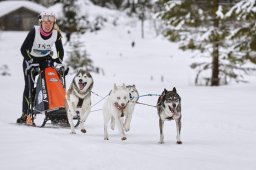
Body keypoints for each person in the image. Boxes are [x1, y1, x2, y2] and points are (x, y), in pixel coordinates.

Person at [16, 11, 64, 124]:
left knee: (52, 81)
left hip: (45, 60)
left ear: (53, 23)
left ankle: (55, 108)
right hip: (31, 60)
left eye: (50, 22)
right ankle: (25, 113)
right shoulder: (34, 32)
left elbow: (60, 50)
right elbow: (23, 49)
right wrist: (31, 60)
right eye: (45, 22)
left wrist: (59, 59)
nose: (48, 25)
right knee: (29, 86)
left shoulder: (56, 34)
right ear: (41, 22)